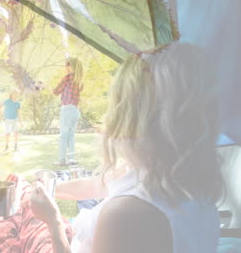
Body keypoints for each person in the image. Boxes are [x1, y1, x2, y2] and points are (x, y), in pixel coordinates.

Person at [31, 43, 223, 253]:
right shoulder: (179, 177)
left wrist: (54, 222)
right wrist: (49, 191)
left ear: (133, 116)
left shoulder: (127, 214)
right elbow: (94, 185)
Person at [53, 57, 84, 166]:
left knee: (63, 136)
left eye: (68, 65)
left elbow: (56, 91)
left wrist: (46, 87)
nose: (66, 67)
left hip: (66, 110)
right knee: (70, 136)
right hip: (75, 110)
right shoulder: (79, 81)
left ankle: (62, 160)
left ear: (73, 66)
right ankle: (71, 159)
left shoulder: (67, 79)